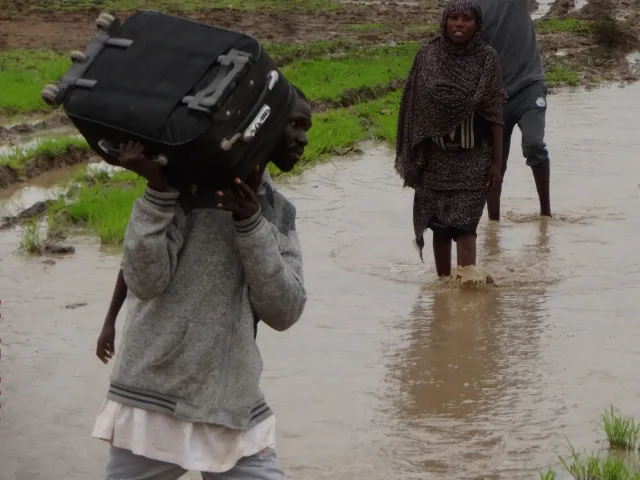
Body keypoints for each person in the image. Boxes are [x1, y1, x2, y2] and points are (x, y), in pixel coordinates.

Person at [92, 86, 312, 480]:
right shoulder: (181, 190)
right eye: (294, 123)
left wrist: (251, 224)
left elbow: (285, 311)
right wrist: (157, 191)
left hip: (229, 399)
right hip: (154, 395)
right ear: (261, 126)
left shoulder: (277, 212)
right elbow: (143, 280)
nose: (303, 137)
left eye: (306, 127)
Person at [395, 0, 505, 277]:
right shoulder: (428, 56)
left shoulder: (487, 59)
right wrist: (417, 158)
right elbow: (414, 107)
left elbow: (494, 115)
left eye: (467, 19)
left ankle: (466, 292)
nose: (459, 24)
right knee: (440, 228)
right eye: (453, 18)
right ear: (444, 22)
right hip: (436, 158)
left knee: (466, 227)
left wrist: (496, 164)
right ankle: (444, 287)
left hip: (474, 158)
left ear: (477, 25)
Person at [476, 0, 552, 220]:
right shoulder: (465, 5)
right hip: (493, 94)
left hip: (529, 84)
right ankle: (494, 223)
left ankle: (546, 215)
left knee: (534, 143)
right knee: (493, 161)